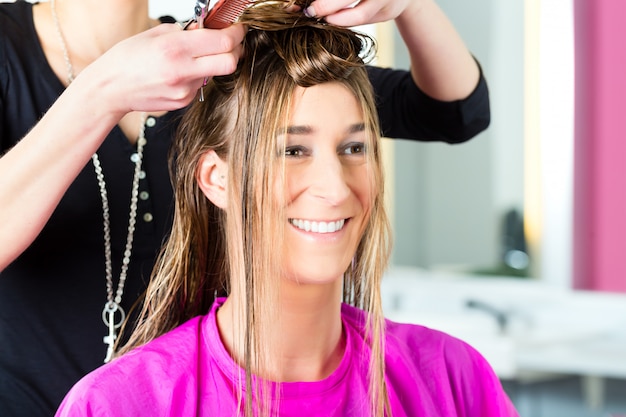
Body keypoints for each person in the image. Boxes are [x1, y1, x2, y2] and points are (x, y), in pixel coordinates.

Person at [0, 0, 490, 415]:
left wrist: (410, 3)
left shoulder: (207, 60)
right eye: (293, 150)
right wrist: (99, 95)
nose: (333, 186)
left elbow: (454, 110)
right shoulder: (9, 49)